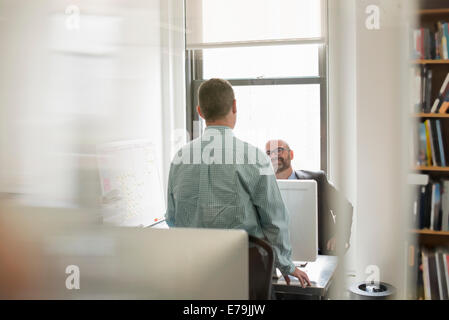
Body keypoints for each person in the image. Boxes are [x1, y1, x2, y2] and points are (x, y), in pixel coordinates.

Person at [165, 79, 311, 288]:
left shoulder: (179, 158)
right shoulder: (254, 157)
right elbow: (274, 221)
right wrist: (287, 265)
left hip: (193, 276)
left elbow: (172, 218)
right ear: (234, 106)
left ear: (200, 111)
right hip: (243, 276)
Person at [265, 139, 353, 256]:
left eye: (279, 150)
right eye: (269, 153)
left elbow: (345, 207)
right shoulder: (264, 187)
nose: (274, 155)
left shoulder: (317, 179)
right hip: (280, 256)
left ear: (291, 154)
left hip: (321, 253)